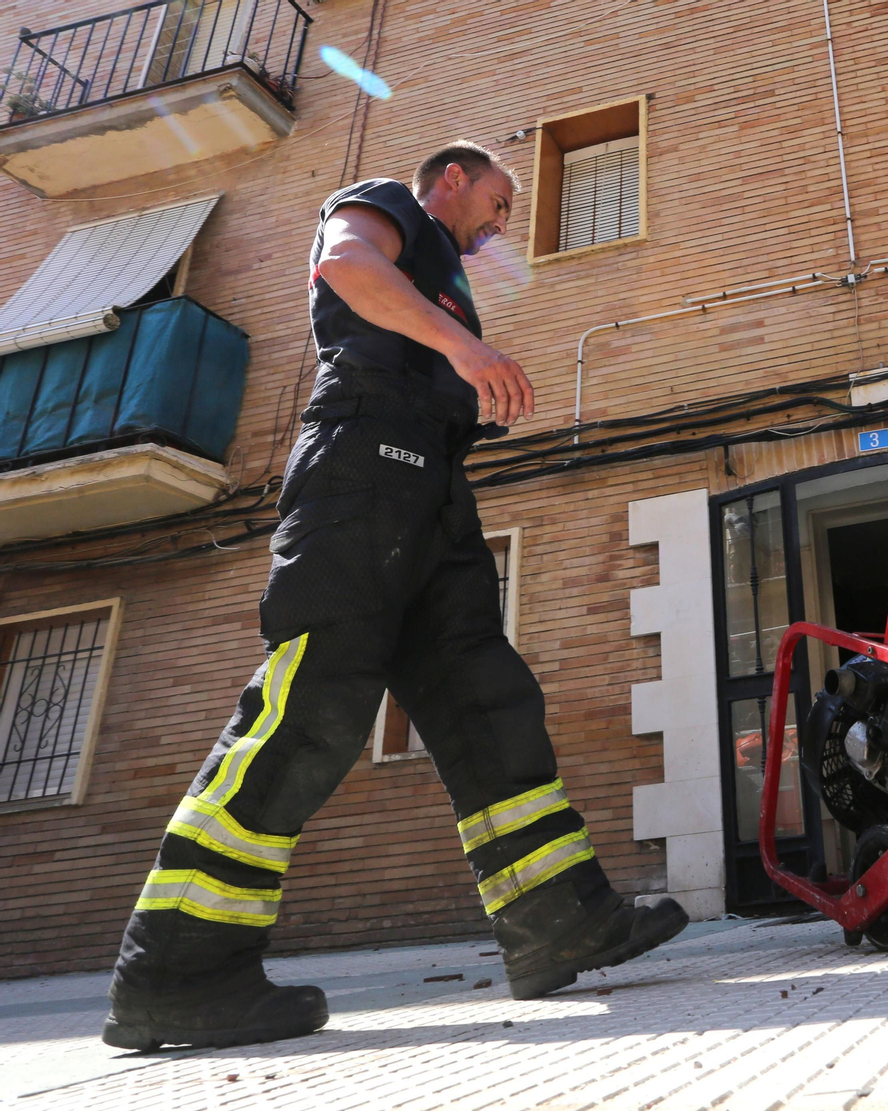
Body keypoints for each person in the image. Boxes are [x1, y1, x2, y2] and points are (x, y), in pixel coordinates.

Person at [103, 141, 687, 1051]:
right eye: (498, 200)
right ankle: (176, 971)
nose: (502, 223)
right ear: (451, 177)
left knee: (486, 698)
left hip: (432, 490)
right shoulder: (385, 207)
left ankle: (558, 921)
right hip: (361, 469)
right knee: (315, 703)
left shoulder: (444, 270)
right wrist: (463, 344)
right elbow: (344, 265)